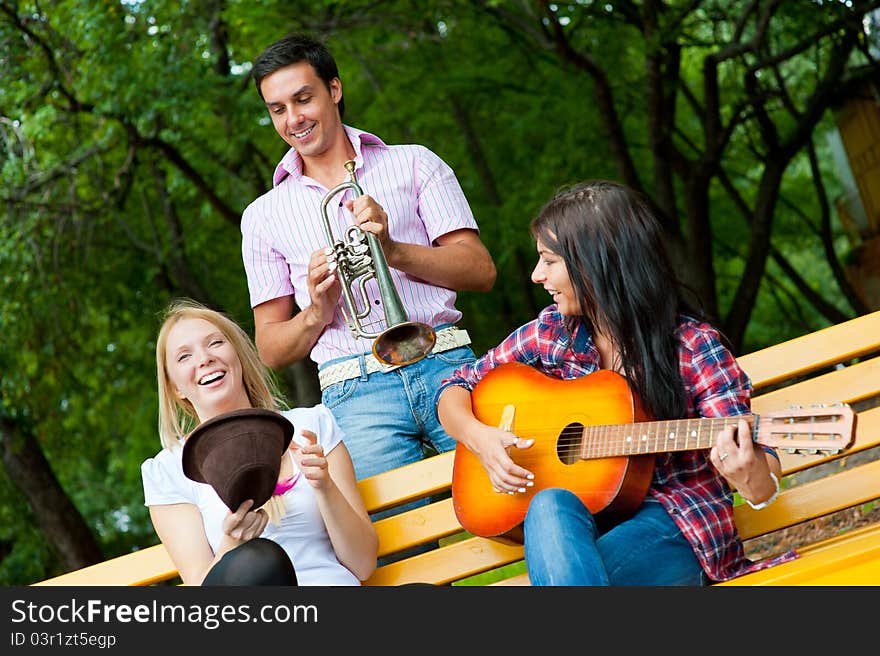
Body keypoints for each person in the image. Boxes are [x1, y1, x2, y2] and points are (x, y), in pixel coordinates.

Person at [436, 180, 798, 585]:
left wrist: (750, 476)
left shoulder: (693, 347)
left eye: (549, 261)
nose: (537, 275)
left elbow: (758, 475)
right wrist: (478, 437)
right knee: (548, 504)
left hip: (678, 526)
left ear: (595, 264)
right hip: (591, 530)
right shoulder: (552, 333)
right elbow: (455, 386)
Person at [240, 32, 496, 483]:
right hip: (353, 387)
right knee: (394, 544)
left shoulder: (416, 163)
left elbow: (480, 271)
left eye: (303, 99)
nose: (293, 119)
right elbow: (271, 348)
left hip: (444, 360)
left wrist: (393, 251)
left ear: (334, 90)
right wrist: (317, 311)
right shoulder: (262, 217)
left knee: (511, 497)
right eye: (277, 109)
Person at [141, 299, 378, 586]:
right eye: (184, 356)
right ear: (175, 386)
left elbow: (363, 565)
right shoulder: (168, 470)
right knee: (260, 562)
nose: (204, 358)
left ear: (237, 355)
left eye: (215, 343)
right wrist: (231, 544)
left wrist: (324, 485)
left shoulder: (311, 427)